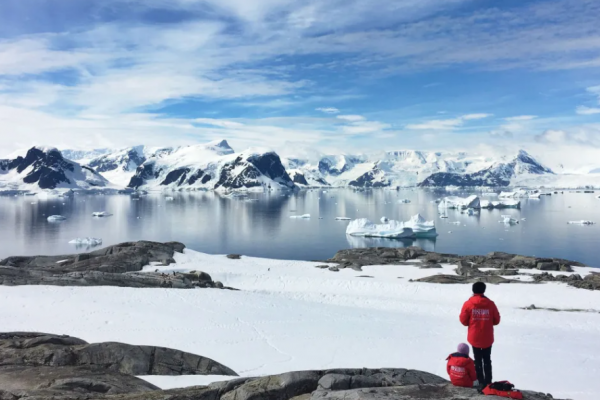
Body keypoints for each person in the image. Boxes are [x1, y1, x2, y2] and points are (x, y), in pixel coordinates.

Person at [460, 282, 501, 391]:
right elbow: (497, 320)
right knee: (487, 359)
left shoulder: (468, 304)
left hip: (475, 337)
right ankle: (488, 382)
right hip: (487, 337)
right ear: (484, 290)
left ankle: (480, 382)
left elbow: (463, 321)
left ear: (473, 290)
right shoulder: (490, 304)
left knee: (477, 360)